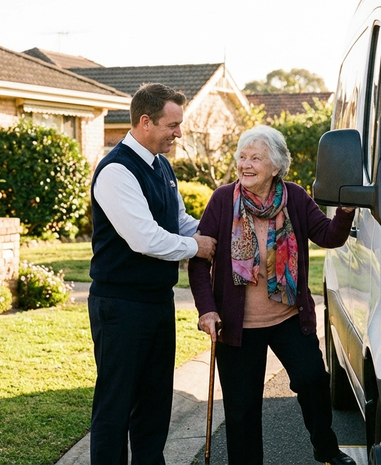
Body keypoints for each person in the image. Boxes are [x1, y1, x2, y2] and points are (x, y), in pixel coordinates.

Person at [188, 125, 356, 465]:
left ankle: (325, 447)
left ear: (276, 166)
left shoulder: (293, 197)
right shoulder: (223, 200)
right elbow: (199, 261)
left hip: (287, 316)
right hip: (237, 326)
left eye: (256, 158)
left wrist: (346, 211)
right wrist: (207, 310)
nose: (245, 165)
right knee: (241, 408)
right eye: (242, 157)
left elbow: (327, 236)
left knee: (313, 381)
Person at [88, 82, 217, 465]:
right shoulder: (116, 172)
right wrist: (198, 247)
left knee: (155, 403)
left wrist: (219, 237)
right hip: (120, 306)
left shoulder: (161, 166)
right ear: (145, 122)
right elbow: (145, 238)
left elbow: (178, 222)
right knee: (115, 405)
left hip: (157, 303)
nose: (178, 133)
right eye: (172, 125)